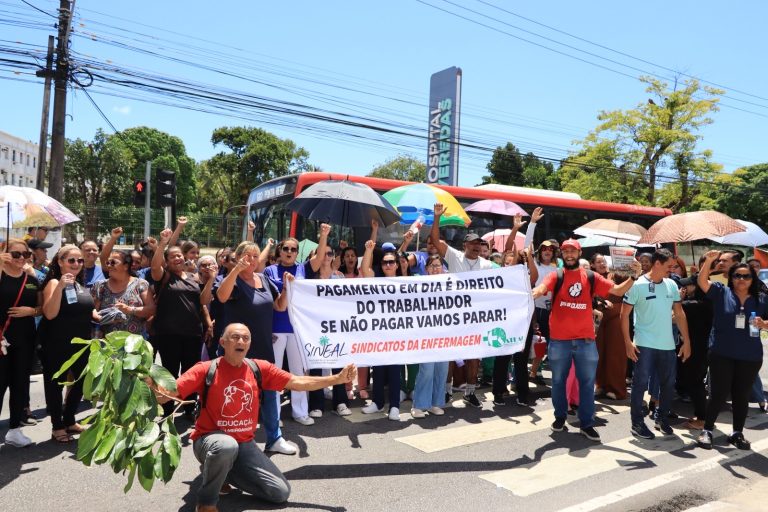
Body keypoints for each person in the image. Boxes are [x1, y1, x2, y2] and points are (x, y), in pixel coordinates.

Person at [152, 323, 356, 512]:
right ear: (223, 342)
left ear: (249, 344)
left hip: (244, 445)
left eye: (245, 338)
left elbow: (297, 381)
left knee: (279, 493)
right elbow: (167, 395)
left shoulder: (258, 368)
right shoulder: (206, 369)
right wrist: (150, 386)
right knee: (225, 446)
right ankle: (206, 501)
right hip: (210, 440)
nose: (240, 341)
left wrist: (337, 379)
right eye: (235, 337)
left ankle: (220, 470)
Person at [532, 238, 641, 442]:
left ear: (579, 253)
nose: (569, 255)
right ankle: (559, 417)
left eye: (573, 251)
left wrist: (634, 276)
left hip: (585, 341)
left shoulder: (590, 277)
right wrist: (535, 291)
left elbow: (617, 291)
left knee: (587, 383)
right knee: (557, 381)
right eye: (566, 252)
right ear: (562, 255)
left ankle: (587, 423)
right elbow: (542, 288)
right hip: (559, 341)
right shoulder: (556, 275)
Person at [213, 241, 296, 455]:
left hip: (264, 348)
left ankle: (274, 439)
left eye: (255, 256)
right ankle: (230, 442)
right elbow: (222, 297)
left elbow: (280, 306)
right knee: (234, 395)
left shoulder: (265, 280)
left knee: (269, 394)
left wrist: (287, 288)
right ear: (239, 257)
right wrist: (236, 270)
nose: (251, 260)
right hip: (237, 352)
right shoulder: (229, 279)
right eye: (247, 256)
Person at [696, 251, 768, 450]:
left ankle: (737, 433)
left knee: (741, 395)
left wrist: (764, 324)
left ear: (752, 279)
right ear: (731, 277)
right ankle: (707, 430)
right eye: (737, 275)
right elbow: (702, 282)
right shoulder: (721, 292)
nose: (742, 279)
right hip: (722, 353)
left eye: (746, 276)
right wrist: (710, 260)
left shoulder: (761, 299)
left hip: (750, 356)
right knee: (718, 393)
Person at [429, 203, 495, 408]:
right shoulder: (454, 256)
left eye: (479, 243)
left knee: (473, 358)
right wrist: (437, 217)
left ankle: (469, 392)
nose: (476, 246)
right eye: (473, 243)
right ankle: (447, 391)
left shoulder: (487, 264)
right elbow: (434, 240)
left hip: (476, 318)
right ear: (465, 245)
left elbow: (504, 280)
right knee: (450, 355)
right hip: (454, 315)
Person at [622, 249, 692, 440]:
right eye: (670, 265)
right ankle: (637, 422)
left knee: (668, 385)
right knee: (640, 385)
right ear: (657, 264)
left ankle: (661, 417)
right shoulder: (637, 285)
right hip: (644, 344)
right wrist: (628, 342)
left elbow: (679, 314)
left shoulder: (671, 285)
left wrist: (686, 341)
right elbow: (624, 314)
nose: (673, 268)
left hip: (668, 345)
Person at [263, 226, 328, 426]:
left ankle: (300, 412)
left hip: (298, 329)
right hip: (277, 327)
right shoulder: (270, 270)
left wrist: (323, 235)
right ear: (279, 252)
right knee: (275, 372)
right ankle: (273, 415)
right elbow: (278, 305)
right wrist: (285, 286)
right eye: (286, 249)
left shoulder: (303, 268)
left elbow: (318, 259)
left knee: (298, 372)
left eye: (293, 249)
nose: (290, 252)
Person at [40, 245, 97, 443]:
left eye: (80, 260)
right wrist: (60, 287)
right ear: (60, 262)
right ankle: (57, 426)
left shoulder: (80, 284)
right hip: (57, 343)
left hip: (82, 344)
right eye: (71, 260)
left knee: (82, 382)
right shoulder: (54, 283)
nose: (77, 264)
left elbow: (89, 313)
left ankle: (69, 419)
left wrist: (110, 314)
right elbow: (50, 313)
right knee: (55, 385)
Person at [151, 227, 209, 416]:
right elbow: (154, 266)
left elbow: (202, 303)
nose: (177, 259)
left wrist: (207, 325)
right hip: (169, 334)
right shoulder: (164, 277)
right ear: (166, 262)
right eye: (172, 257)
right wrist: (162, 243)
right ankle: (167, 409)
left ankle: (189, 408)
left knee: (191, 373)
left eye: (179, 255)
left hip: (193, 333)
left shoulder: (194, 278)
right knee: (169, 373)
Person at [0, 239, 42, 447]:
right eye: (15, 254)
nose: (21, 258)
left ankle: (15, 429)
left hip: (25, 339)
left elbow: (43, 306)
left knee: (20, 385)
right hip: (1, 338)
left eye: (25, 254)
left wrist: (31, 311)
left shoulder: (32, 278)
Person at [360, 223, 404, 421]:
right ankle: (377, 403)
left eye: (391, 262)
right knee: (377, 370)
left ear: (396, 264)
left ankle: (394, 406)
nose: (387, 265)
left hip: (397, 334)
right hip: (377, 333)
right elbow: (364, 268)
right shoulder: (376, 279)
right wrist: (369, 249)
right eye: (385, 262)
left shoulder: (405, 283)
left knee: (395, 371)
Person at [411, 254, 450, 418]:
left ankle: (436, 403)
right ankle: (419, 405)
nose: (435, 268)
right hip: (426, 335)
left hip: (444, 335)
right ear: (426, 269)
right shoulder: (418, 284)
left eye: (438, 265)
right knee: (426, 370)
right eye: (432, 266)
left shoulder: (449, 286)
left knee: (441, 370)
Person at [91, 249, 155, 336]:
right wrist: (99, 317)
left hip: (134, 343)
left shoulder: (140, 284)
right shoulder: (100, 286)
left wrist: (129, 310)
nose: (109, 265)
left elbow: (151, 309)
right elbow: (93, 309)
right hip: (106, 344)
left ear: (126, 266)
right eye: (108, 263)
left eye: (113, 262)